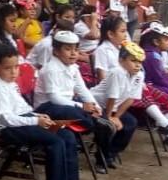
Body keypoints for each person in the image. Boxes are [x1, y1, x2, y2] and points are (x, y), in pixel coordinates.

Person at [0, 44, 82, 180]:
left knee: (66, 134)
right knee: (55, 142)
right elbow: (7, 118)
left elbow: (23, 107)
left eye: (16, 67)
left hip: (25, 120)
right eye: (8, 68)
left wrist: (39, 117)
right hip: (8, 130)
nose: (14, 72)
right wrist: (35, 120)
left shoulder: (9, 83)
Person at [33, 30, 114, 159]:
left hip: (66, 104)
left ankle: (104, 157)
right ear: (56, 51)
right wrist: (81, 106)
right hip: (47, 107)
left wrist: (94, 105)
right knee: (77, 113)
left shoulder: (73, 67)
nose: (73, 53)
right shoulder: (50, 69)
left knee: (100, 115)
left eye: (76, 50)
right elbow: (54, 98)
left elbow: (82, 89)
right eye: (67, 49)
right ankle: (94, 123)